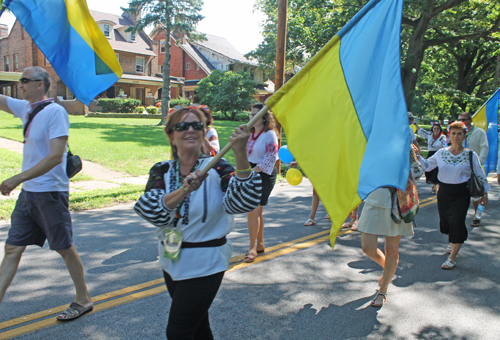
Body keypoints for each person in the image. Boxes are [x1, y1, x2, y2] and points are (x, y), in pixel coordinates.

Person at [134, 107, 261, 339]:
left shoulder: (219, 168)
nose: (190, 130)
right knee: (199, 328)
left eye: (197, 125)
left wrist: (241, 154)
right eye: (182, 126)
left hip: (206, 262)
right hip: (171, 256)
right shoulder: (162, 170)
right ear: (171, 135)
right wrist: (184, 190)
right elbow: (151, 211)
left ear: (204, 132)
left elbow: (243, 203)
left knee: (178, 332)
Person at [0, 67, 93, 320]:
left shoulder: (56, 112)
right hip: (29, 194)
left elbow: (55, 157)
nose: (20, 85)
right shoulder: (26, 109)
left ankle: (83, 298)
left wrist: (17, 178)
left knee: (64, 247)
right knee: (12, 249)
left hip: (50, 192)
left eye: (24, 81)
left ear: (40, 84)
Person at [416, 122, 490, 270]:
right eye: (453, 133)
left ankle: (452, 257)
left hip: (461, 194)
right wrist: (416, 155)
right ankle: (453, 240)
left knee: (457, 222)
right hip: (443, 192)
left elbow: (480, 175)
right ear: (449, 134)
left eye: (459, 133)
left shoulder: (470, 154)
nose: (456, 136)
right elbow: (426, 166)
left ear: (464, 136)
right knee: (446, 223)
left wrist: (485, 194)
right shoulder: (441, 153)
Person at [356, 147, 416, 307]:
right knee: (368, 247)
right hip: (374, 199)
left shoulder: (405, 144)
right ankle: (388, 269)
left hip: (397, 200)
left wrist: (410, 157)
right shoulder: (372, 141)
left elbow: (417, 173)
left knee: (391, 249)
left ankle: (383, 290)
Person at [244, 103, 279, 263]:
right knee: (256, 212)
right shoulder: (250, 133)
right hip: (252, 171)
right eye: (251, 114)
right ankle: (260, 244)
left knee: (253, 210)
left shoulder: (269, 134)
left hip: (265, 173)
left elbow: (271, 157)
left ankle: (252, 249)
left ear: (264, 118)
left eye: (255, 115)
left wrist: (254, 171)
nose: (252, 117)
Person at [458, 112, 489, 226]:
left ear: (470, 120)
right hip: (462, 167)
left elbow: (484, 147)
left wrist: (479, 162)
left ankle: (478, 215)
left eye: (464, 119)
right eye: (460, 120)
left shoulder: (479, 132)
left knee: (479, 195)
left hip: (476, 167)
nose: (462, 122)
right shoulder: (459, 133)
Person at [415, 122, 447, 194]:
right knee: (429, 170)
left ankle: (435, 186)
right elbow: (421, 131)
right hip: (431, 154)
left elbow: (445, 145)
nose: (436, 130)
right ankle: (434, 184)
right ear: (432, 129)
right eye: (434, 128)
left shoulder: (442, 137)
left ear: (440, 129)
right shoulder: (429, 135)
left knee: (436, 170)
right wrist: (415, 124)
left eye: (438, 129)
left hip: (438, 154)